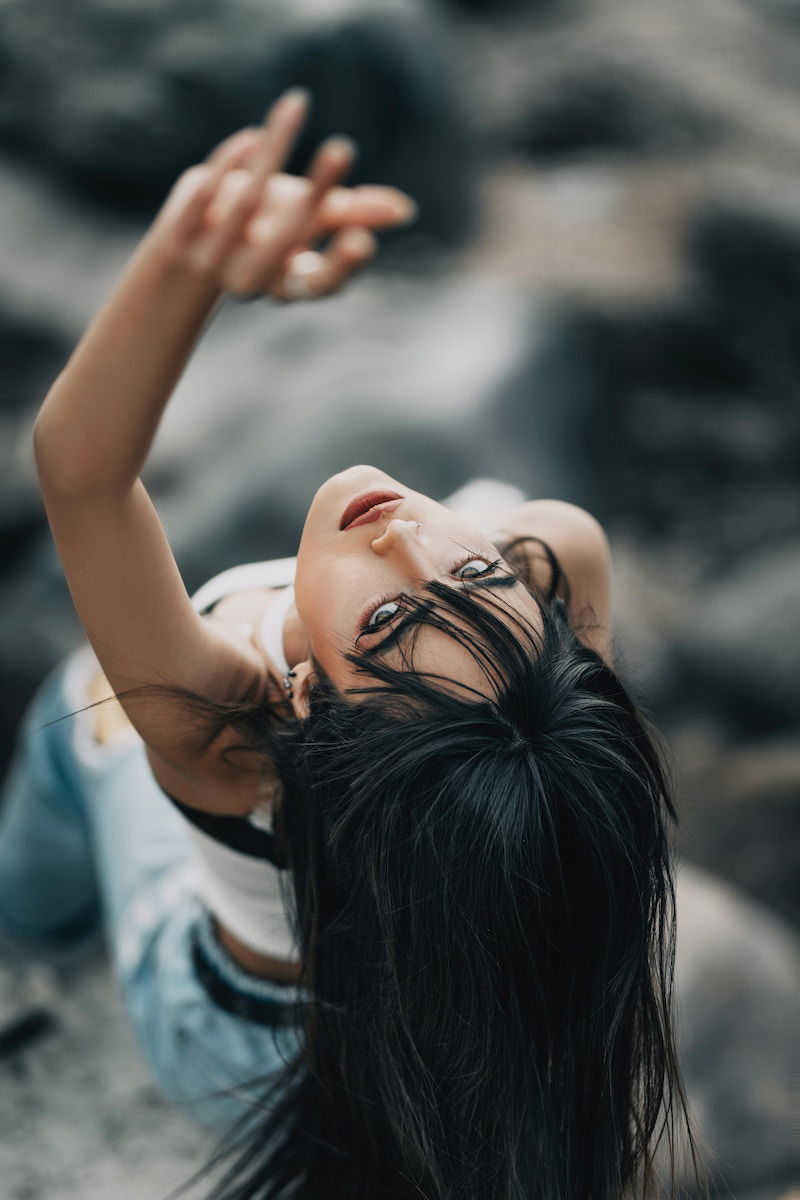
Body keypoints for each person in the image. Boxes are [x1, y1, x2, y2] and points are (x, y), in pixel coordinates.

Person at [0, 89, 701, 1199]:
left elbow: (83, 471)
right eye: (472, 577)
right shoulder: (557, 555)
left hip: (238, 1028)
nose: (403, 539)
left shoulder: (223, 734)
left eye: (383, 622)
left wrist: (191, 259)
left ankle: (26, 933)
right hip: (375, 967)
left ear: (302, 714)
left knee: (79, 717)